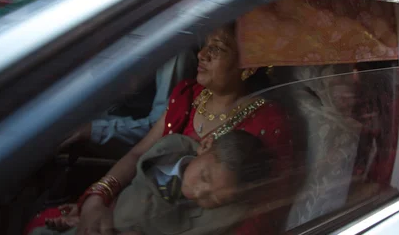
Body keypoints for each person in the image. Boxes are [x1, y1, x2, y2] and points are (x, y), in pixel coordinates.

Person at [30, 23, 293, 235]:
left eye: (218, 48)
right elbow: (138, 155)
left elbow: (260, 216)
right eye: (205, 45)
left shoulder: (269, 123)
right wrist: (97, 200)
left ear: (248, 65)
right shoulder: (189, 95)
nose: (202, 55)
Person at [28, 131, 272, 235]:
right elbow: (134, 169)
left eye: (215, 199)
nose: (198, 193)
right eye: (205, 177)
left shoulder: (221, 219)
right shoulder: (171, 147)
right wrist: (96, 205)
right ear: (205, 145)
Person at [61, 50, 198, 157]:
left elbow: (159, 128)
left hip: (135, 147)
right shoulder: (117, 43)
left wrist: (94, 129)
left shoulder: (174, 56)